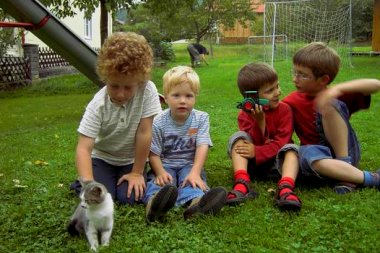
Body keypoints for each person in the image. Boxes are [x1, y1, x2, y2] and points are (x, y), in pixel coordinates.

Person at [275, 42, 380, 212]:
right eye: (295, 72)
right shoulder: (292, 101)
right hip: (316, 158)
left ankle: (345, 166)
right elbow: (275, 115)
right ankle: (367, 178)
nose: (295, 79)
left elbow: (376, 84)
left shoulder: (336, 94)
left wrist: (336, 90)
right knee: (306, 151)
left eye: (303, 75)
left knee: (329, 104)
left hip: (346, 151)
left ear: (323, 79)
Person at [72, 32, 162, 205]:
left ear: (140, 81)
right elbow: (84, 148)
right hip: (102, 158)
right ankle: (82, 182)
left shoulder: (147, 90)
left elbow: (144, 133)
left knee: (130, 198)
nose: (120, 94)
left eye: (128, 87)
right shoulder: (98, 104)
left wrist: (137, 172)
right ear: (105, 78)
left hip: (131, 159)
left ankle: (133, 177)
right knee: (102, 198)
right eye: (114, 86)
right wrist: (89, 184)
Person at [142, 66, 227, 222]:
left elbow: (202, 145)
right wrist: (160, 172)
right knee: (160, 183)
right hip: (164, 164)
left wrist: (195, 171)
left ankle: (197, 204)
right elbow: (153, 153)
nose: (183, 101)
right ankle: (154, 204)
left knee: (192, 181)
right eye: (176, 95)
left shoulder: (201, 118)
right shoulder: (158, 121)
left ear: (195, 97)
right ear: (165, 98)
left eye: (189, 96)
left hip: (189, 164)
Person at [226, 62, 293, 205]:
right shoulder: (244, 114)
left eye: (277, 86)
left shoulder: (285, 110)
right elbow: (251, 142)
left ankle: (286, 187)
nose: (278, 92)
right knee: (238, 138)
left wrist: (257, 151)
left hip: (277, 165)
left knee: (291, 150)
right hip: (253, 166)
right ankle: (242, 182)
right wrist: (259, 121)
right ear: (253, 97)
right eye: (270, 91)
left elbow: (282, 142)